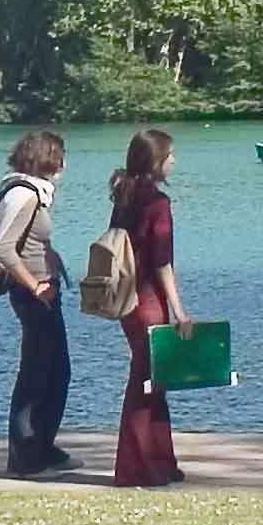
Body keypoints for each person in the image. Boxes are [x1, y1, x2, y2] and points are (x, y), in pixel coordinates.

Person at [0, 128, 72, 477]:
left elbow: (31, 243)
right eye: (60, 157)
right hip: (34, 295)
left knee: (56, 372)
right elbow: (4, 250)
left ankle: (43, 446)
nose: (64, 166)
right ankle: (25, 457)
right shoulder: (25, 195)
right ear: (49, 159)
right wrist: (36, 286)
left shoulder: (27, 192)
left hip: (44, 292)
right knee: (37, 374)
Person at [106, 126, 189, 487]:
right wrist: (181, 312)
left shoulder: (124, 196)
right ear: (156, 162)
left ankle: (159, 460)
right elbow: (162, 262)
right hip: (148, 300)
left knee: (151, 378)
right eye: (170, 155)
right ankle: (137, 466)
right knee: (146, 379)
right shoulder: (157, 203)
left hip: (127, 300)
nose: (174, 161)